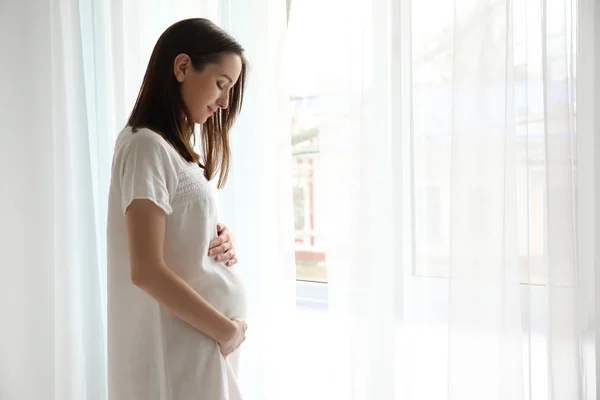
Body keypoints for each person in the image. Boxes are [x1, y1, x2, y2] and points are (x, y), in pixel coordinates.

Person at [106, 18, 249, 400]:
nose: (224, 101)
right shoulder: (144, 147)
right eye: (222, 84)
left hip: (195, 347)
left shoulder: (173, 152)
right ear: (183, 66)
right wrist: (225, 330)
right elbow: (147, 270)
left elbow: (179, 235)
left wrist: (220, 238)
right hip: (178, 351)